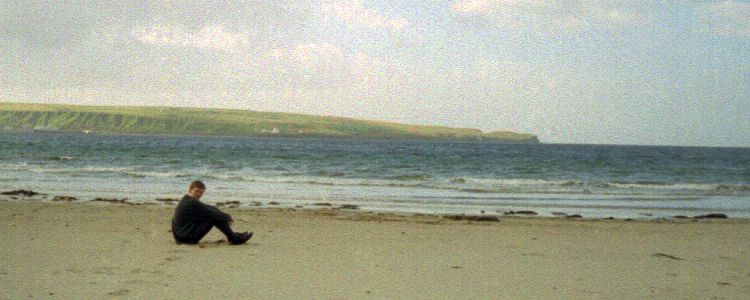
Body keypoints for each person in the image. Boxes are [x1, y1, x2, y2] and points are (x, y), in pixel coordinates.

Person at [171, 180, 253, 245]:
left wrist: (222, 215)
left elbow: (210, 207)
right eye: (196, 191)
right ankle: (234, 238)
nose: (199, 194)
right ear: (190, 189)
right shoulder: (190, 203)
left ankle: (233, 236)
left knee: (212, 213)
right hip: (186, 239)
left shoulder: (187, 199)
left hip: (182, 236)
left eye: (201, 192)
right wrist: (228, 217)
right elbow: (211, 213)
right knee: (212, 217)